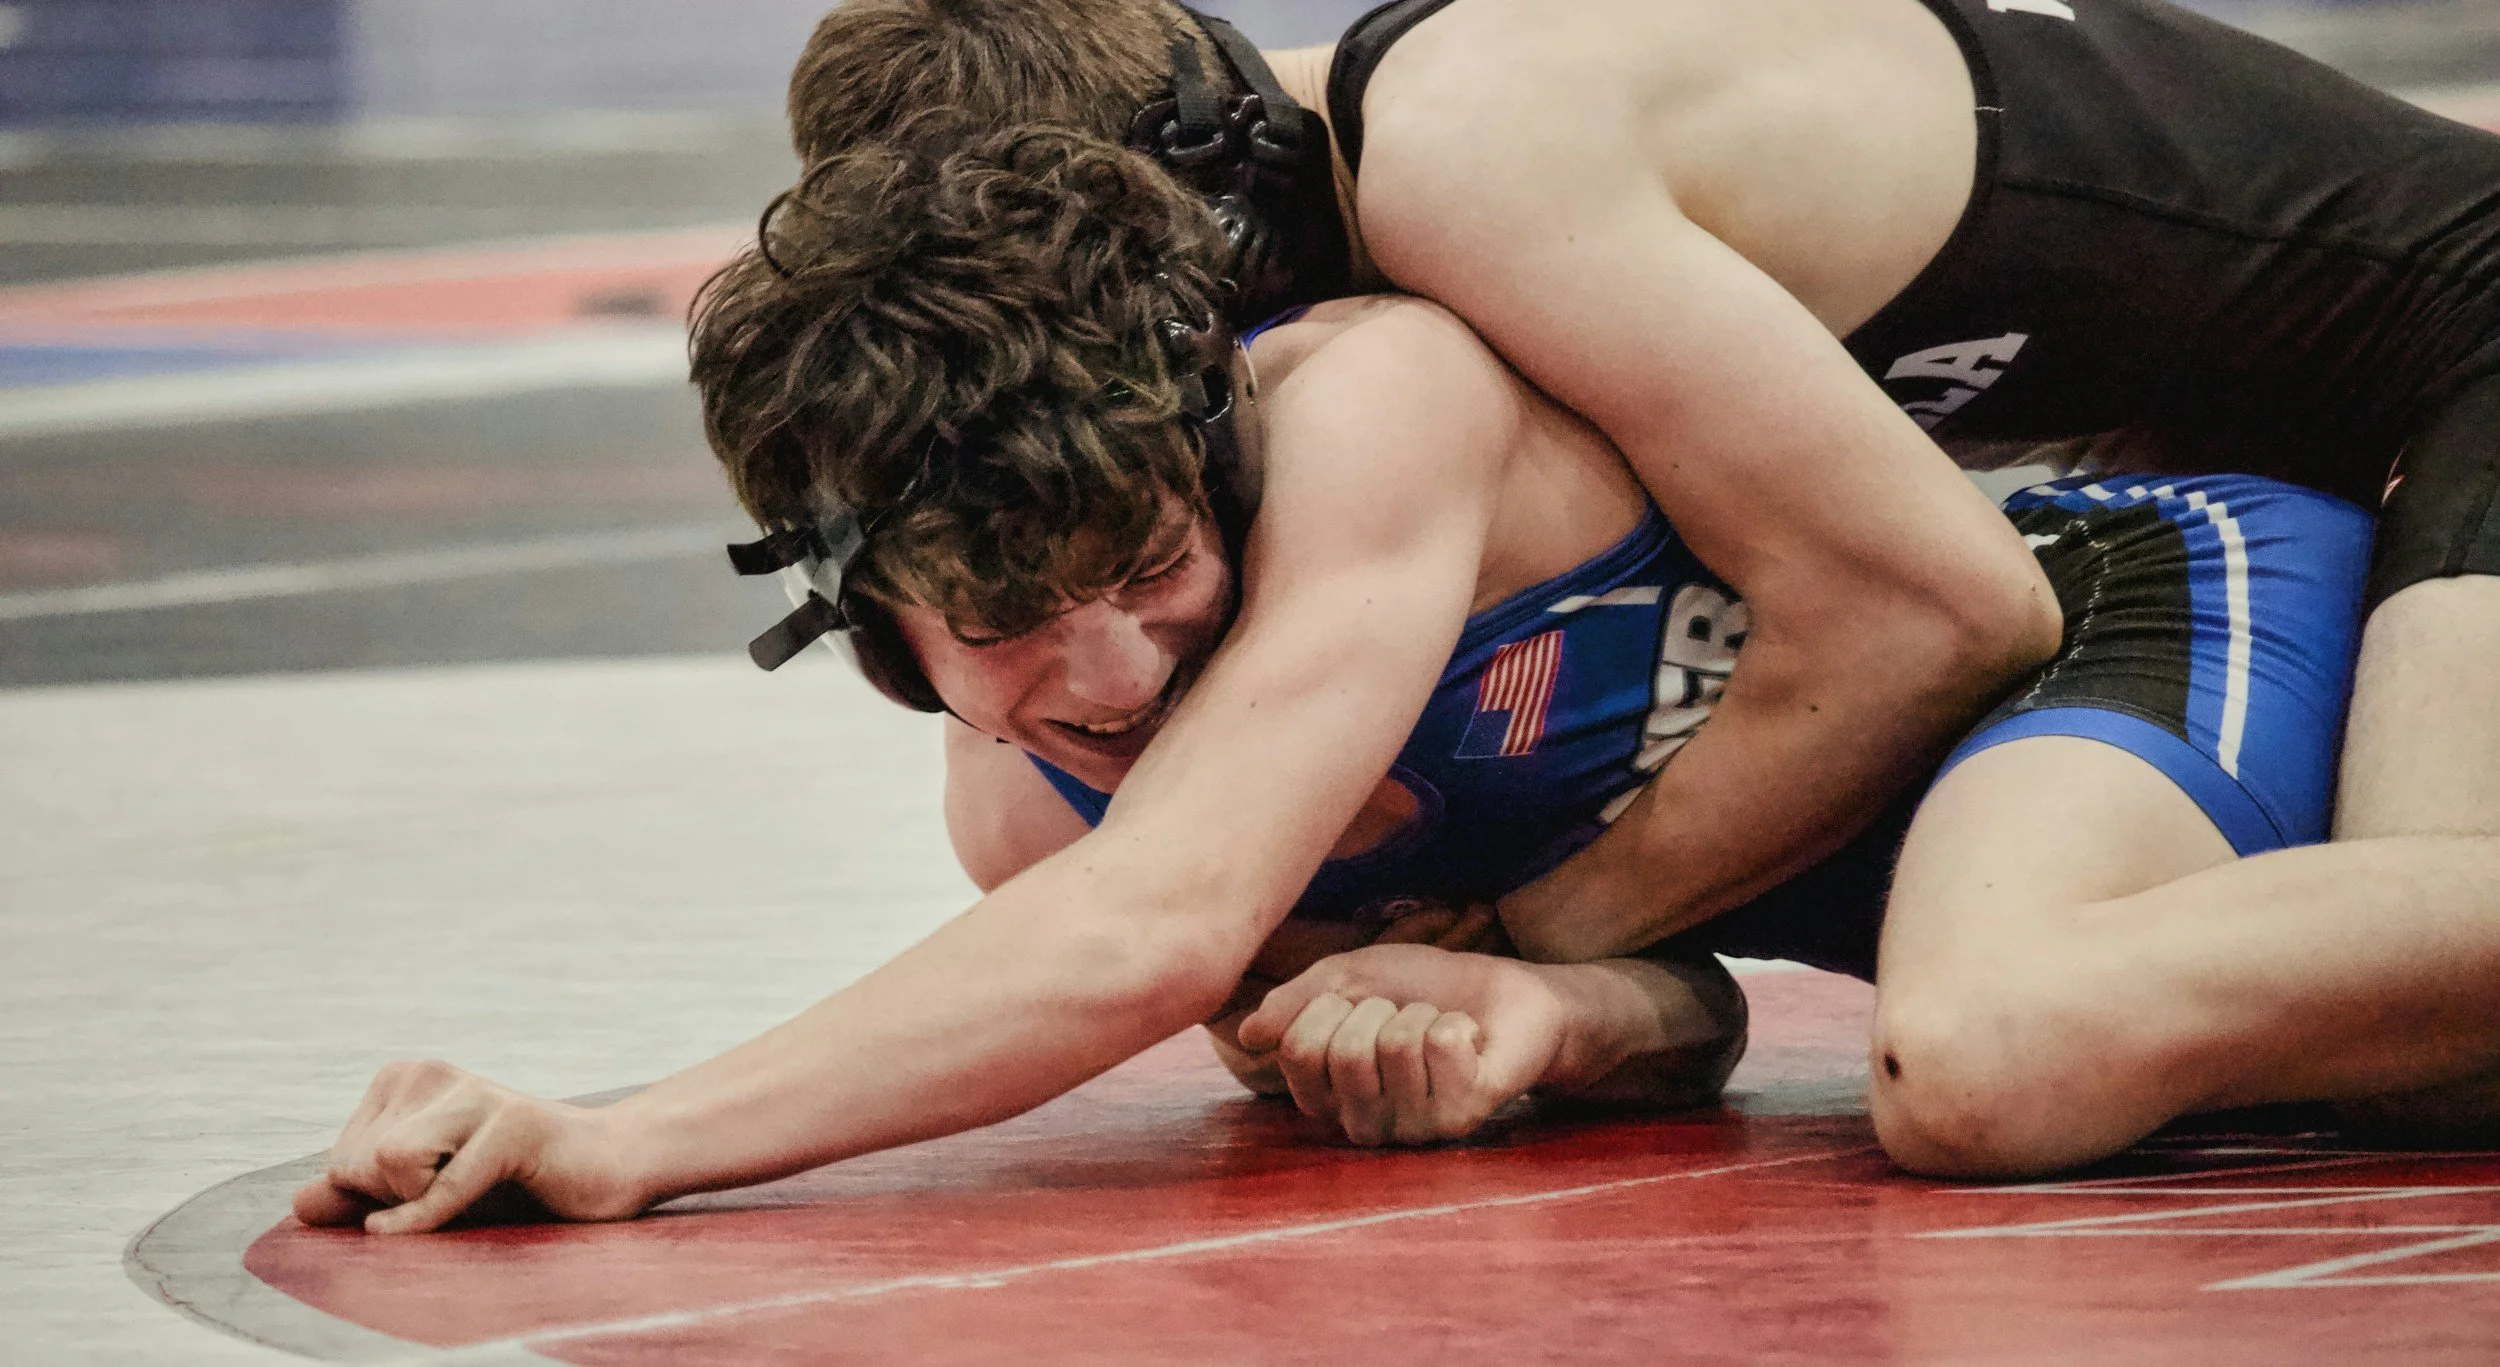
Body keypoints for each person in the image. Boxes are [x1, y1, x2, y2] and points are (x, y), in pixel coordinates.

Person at [294, 123, 2378, 1233]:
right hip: (1964, 846)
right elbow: (1701, 1010)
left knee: (1997, 1054)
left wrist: (624, 1133)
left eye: (1148, 563)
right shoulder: (1039, 822)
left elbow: (1159, 927)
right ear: (870, 626)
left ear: (1212, 466)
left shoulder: (1375, 402)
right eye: (1009, 620)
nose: (1115, 671)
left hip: (2118, 612)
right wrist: (1544, 1016)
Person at [777, 0, 2500, 1149]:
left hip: (2447, 347)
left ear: (1196, 218)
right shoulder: (1334, 251)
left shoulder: (1457, 174)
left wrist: (1541, 927)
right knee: (2340, 1041)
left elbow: (1949, 603)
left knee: (2419, 1007)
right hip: (2220, 448)